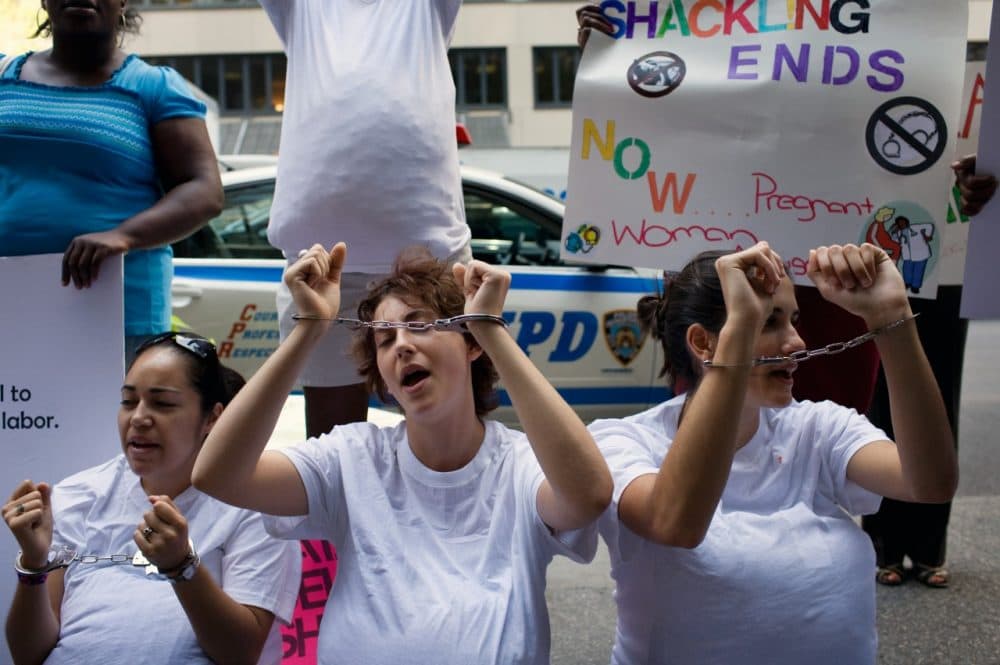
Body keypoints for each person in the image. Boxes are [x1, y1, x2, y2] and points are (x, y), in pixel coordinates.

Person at [191, 243, 613, 663]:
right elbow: (219, 474)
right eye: (384, 340)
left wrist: (491, 328)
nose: (402, 346)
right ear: (385, 384)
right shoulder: (352, 457)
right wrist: (307, 331)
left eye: (420, 325)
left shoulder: (517, 464)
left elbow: (588, 495)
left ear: (471, 344)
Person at [589, 241, 957, 664]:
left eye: (794, 320)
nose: (797, 343)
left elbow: (930, 483)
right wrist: (740, 331)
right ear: (702, 343)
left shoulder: (817, 426)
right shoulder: (624, 441)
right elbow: (675, 523)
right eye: (770, 322)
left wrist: (891, 317)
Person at [572, 2, 883, 415]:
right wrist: (609, 66)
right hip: (714, 294)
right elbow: (654, 114)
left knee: (831, 456)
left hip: (829, 297)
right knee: (720, 452)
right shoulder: (687, 22)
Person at [2, 333, 300, 665]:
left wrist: (181, 566)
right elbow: (28, 655)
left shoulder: (254, 504)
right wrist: (33, 563)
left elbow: (241, 652)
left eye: (163, 403)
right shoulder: (79, 496)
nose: (139, 418)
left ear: (212, 418)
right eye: (128, 401)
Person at [259, 0, 471, 436]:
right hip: (322, 273)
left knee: (448, 436)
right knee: (332, 448)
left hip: (428, 267)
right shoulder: (303, 8)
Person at [0, 0, 222, 362]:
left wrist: (123, 236)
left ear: (122, 3)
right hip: (13, 305)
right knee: (18, 418)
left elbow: (204, 190)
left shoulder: (154, 87)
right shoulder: (4, 74)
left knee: (113, 419)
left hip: (117, 314)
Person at [861, 155, 999, 589]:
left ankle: (927, 545)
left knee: (939, 394)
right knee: (882, 400)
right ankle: (883, 543)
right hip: (878, 239)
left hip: (951, 252)